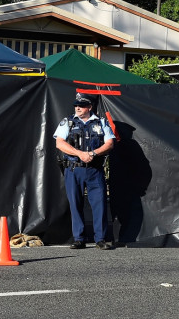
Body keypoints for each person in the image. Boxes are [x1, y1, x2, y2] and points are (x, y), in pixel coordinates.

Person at [54, 92, 115, 250]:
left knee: (99, 204)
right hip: (75, 169)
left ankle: (100, 239)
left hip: (95, 169)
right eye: (76, 105)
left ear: (90, 107)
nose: (77, 108)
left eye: (81, 105)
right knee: (75, 204)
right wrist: (80, 154)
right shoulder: (68, 122)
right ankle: (79, 238)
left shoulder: (101, 122)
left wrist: (93, 153)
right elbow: (60, 143)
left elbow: (109, 143)